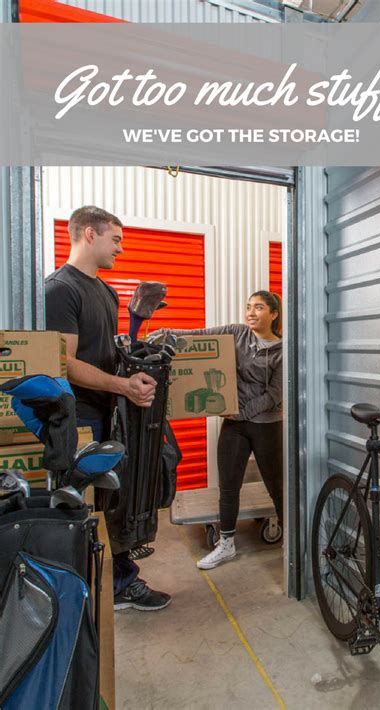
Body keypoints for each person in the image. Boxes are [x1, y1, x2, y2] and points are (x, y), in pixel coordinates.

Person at [45, 205, 171, 611]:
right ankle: (95, 589)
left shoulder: (106, 290)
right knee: (85, 505)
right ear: (88, 234)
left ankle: (115, 581)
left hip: (110, 412)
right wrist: (123, 386)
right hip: (79, 417)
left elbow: (105, 350)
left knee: (115, 499)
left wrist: (137, 328)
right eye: (115, 238)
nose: (121, 247)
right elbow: (64, 362)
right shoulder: (60, 289)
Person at [151, 290, 283, 569]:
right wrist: (165, 332)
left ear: (273, 313)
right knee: (228, 486)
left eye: (258, 308)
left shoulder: (284, 350)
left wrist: (242, 412)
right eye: (248, 307)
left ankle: (291, 543)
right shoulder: (237, 333)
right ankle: (226, 545)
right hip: (235, 425)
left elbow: (274, 394)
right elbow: (200, 334)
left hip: (266, 425)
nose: (250, 312)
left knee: (277, 487)